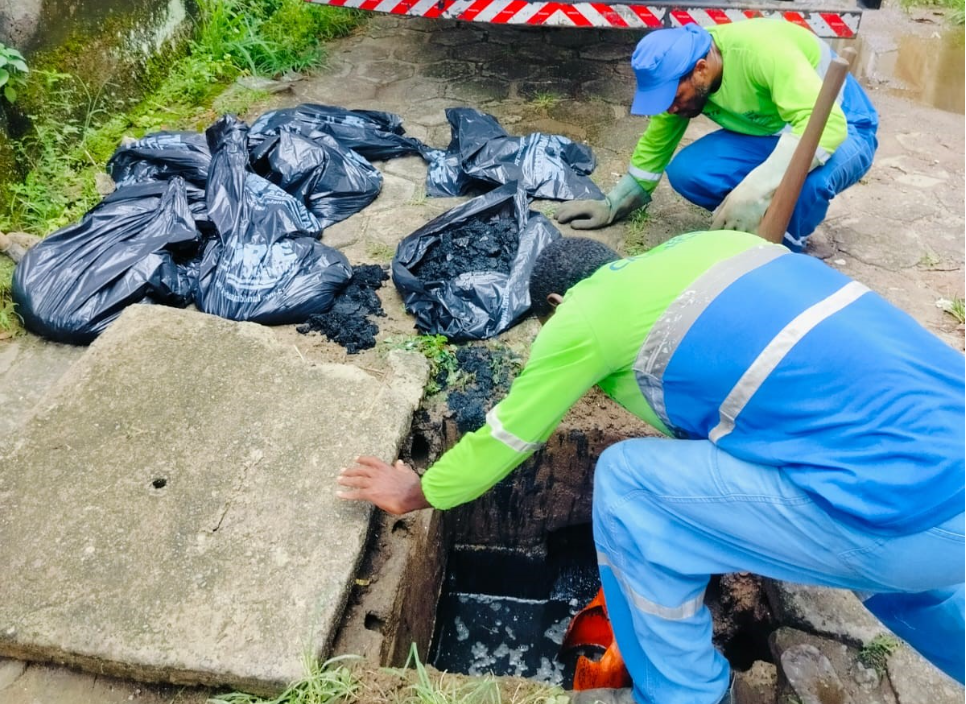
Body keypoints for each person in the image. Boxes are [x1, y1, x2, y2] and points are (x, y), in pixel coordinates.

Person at [338, 232, 965, 704]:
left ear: (556, 303)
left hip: (907, 520)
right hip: (940, 490)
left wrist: (420, 489)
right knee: (914, 581)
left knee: (628, 482)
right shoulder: (709, 248)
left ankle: (681, 691)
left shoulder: (584, 316)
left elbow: (508, 434)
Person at [554, 20, 879, 252]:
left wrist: (756, 187)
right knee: (688, 172)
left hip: (843, 125)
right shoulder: (687, 72)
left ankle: (786, 250)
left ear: (700, 70)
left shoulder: (760, 52)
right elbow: (657, 142)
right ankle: (753, 215)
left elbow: (826, 127)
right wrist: (615, 203)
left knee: (808, 183)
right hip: (778, 130)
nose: (668, 109)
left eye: (672, 97)